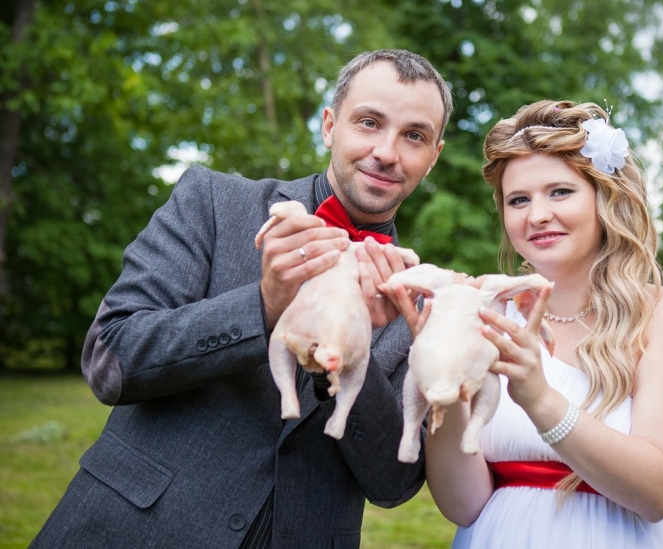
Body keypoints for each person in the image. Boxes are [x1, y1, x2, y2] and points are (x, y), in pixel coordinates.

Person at [31, 49, 453, 549]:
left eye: (414, 136)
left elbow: (394, 485)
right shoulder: (211, 202)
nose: (387, 151)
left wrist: (348, 359)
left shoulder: (422, 302)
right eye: (368, 122)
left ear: (433, 157)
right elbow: (111, 361)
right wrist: (264, 306)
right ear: (329, 126)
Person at [387, 99, 663, 548]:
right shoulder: (489, 312)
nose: (536, 215)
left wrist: (541, 400)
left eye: (559, 192)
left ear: (605, 197)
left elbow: (661, 493)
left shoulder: (662, 313)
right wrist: (444, 381)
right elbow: (463, 506)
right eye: (519, 200)